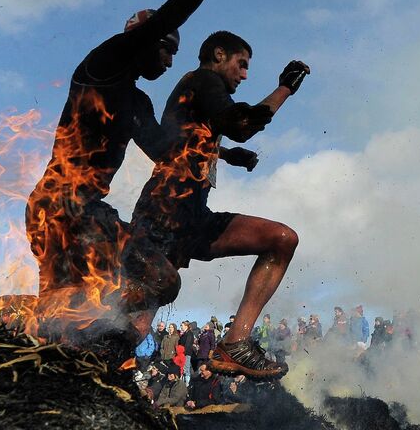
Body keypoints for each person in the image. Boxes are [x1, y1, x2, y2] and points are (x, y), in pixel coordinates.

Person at [24, 0, 263, 342]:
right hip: (59, 206)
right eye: (167, 51)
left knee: (163, 281)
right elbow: (171, 13)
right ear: (145, 41)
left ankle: (99, 346)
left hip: (91, 212)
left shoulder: (137, 101)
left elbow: (164, 149)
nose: (171, 63)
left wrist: (222, 152)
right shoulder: (105, 64)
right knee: (63, 314)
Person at [131, 31, 309, 378]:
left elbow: (184, 137)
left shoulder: (197, 94)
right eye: (241, 65)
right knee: (137, 319)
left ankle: (235, 345)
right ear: (218, 55)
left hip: (194, 217)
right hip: (163, 214)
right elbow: (242, 123)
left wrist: (225, 154)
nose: (244, 75)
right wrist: (285, 88)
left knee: (281, 238)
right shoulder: (203, 79)